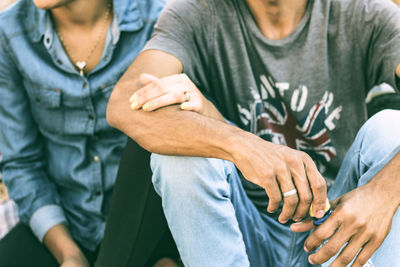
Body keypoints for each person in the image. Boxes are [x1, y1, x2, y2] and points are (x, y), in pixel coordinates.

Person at [106, 0, 400, 266]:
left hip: (337, 230)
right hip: (243, 230)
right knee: (180, 157)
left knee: (390, 129)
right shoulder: (196, 13)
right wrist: (244, 146)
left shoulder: (365, 13)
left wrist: (382, 193)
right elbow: (125, 103)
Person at [0, 0, 171, 266]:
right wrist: (69, 254)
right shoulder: (9, 33)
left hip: (150, 230)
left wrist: (173, 254)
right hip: (66, 225)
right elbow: (21, 163)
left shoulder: (159, 20)